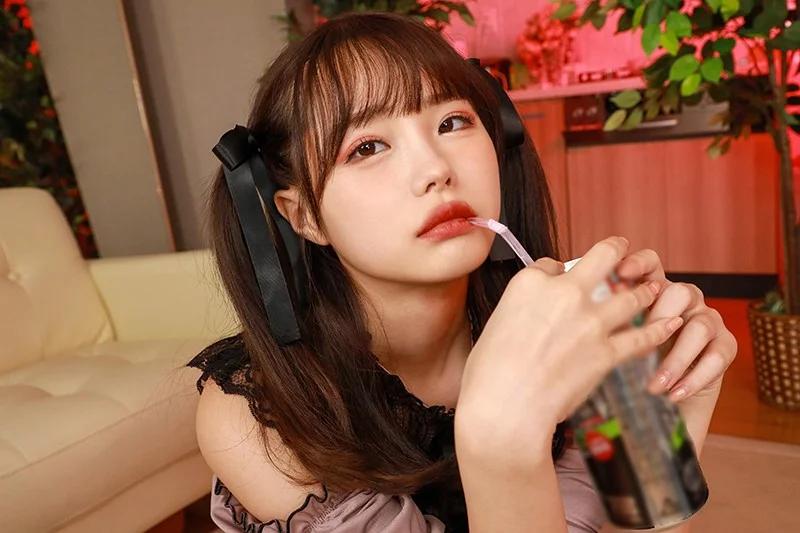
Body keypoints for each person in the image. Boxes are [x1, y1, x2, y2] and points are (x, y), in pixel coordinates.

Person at [187, 12, 737, 533]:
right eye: (368, 147)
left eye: (452, 122)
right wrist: (499, 441)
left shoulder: (559, 330)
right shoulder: (258, 415)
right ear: (304, 215)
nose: (435, 169)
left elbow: (637, 518)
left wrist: (675, 418)